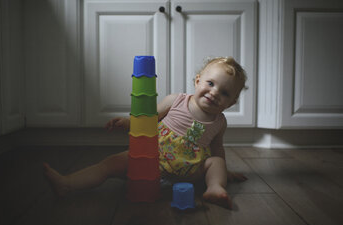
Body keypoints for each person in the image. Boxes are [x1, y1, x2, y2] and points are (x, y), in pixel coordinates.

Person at [44, 56, 248, 209]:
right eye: (210, 84)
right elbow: (147, 117)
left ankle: (215, 188)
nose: (214, 93)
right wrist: (127, 122)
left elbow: (217, 148)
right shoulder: (176, 100)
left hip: (188, 172)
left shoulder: (219, 122)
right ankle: (67, 183)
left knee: (216, 162)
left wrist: (223, 172)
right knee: (110, 164)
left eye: (224, 93)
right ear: (197, 81)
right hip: (150, 159)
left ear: (231, 103)